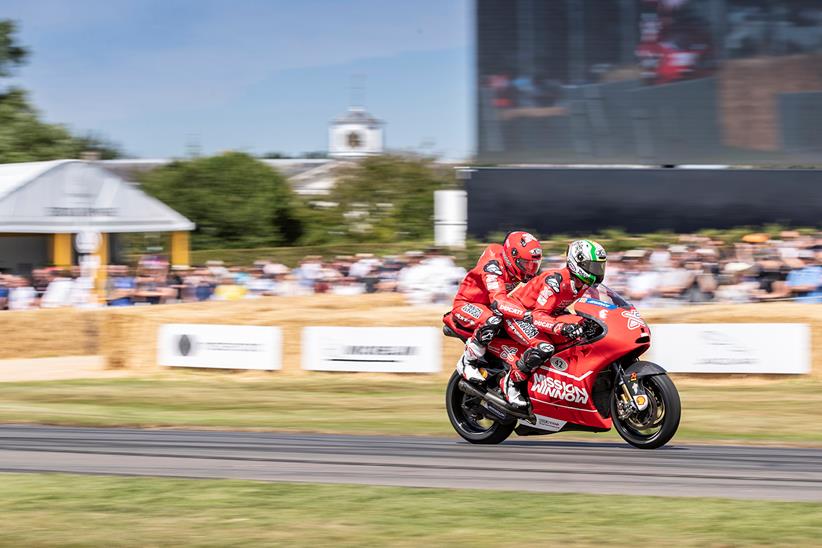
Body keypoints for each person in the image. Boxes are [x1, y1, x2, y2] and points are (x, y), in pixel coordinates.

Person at [500, 240, 608, 407]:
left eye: (600, 266)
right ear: (577, 263)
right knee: (544, 347)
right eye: (593, 266)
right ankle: (511, 382)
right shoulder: (555, 281)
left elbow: (597, 309)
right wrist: (561, 327)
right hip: (519, 315)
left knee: (583, 332)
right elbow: (538, 315)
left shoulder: (585, 285)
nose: (598, 271)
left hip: (546, 314)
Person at [451, 231, 543, 383]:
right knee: (493, 320)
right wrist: (525, 314)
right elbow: (499, 302)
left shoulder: (515, 265)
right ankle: (467, 361)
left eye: (534, 265)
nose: (530, 270)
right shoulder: (493, 268)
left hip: (489, 306)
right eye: (526, 264)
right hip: (466, 304)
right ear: (512, 257)